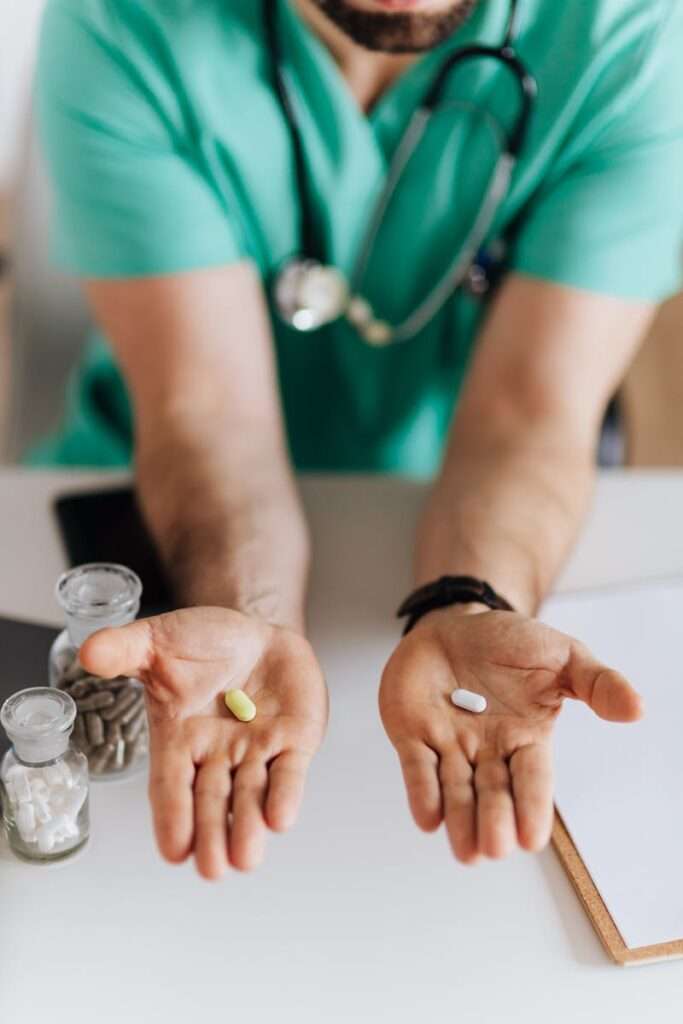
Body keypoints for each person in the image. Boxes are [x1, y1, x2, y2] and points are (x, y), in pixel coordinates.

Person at [34, 0, 682, 879]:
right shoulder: (125, 22)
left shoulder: (634, 40)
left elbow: (529, 414)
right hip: (160, 525)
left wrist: (467, 599)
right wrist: (249, 612)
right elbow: (204, 411)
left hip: (449, 508)